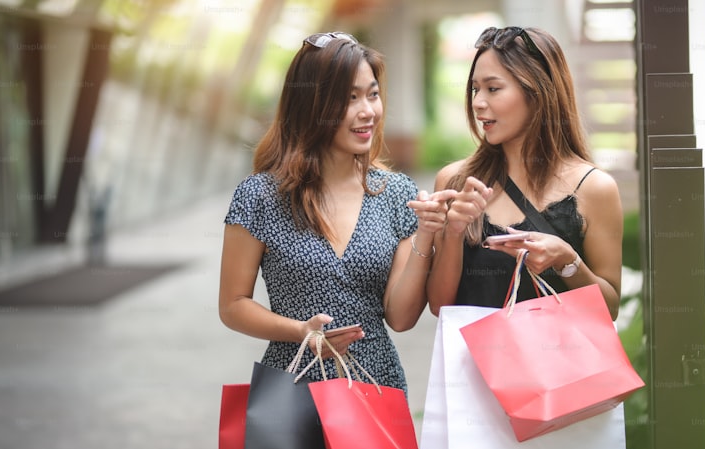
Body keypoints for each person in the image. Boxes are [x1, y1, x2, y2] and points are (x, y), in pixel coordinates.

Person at [218, 31, 449, 393]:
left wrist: (427, 235)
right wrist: (300, 331)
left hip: (376, 384)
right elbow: (232, 305)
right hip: (291, 386)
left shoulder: (397, 194)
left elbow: (401, 318)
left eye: (372, 94)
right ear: (312, 106)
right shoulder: (260, 196)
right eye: (349, 98)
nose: (367, 111)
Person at [427, 26, 623, 319]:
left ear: (538, 91)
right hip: (475, 363)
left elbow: (609, 310)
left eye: (493, 89)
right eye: (475, 89)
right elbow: (440, 307)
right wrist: (453, 233)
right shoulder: (455, 182)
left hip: (558, 363)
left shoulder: (594, 187)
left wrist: (568, 262)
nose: (478, 102)